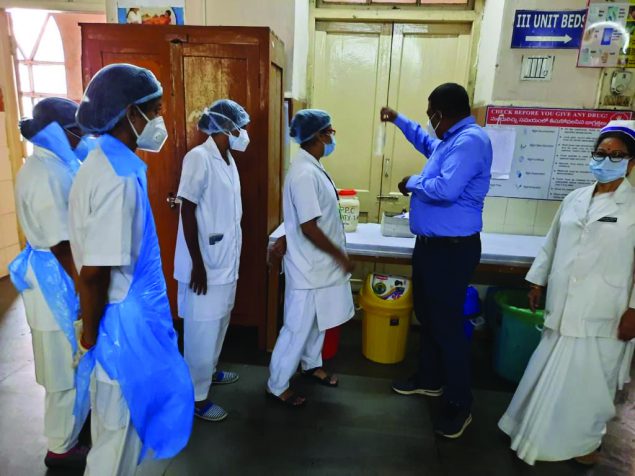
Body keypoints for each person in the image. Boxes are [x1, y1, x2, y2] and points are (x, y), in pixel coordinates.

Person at [70, 63, 194, 475]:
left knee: (129, 431)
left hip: (131, 319)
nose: (160, 120)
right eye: (154, 110)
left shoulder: (107, 161)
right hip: (123, 330)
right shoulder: (116, 177)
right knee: (117, 442)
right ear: (129, 114)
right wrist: (90, 337)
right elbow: (94, 272)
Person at [499, 120, 635, 466]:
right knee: (544, 368)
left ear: (631, 162)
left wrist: (634, 310)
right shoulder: (575, 198)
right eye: (601, 153)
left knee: (591, 384)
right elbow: (552, 243)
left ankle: (582, 442)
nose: (606, 160)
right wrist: (538, 281)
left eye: (617, 155)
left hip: (605, 310)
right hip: (563, 303)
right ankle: (528, 431)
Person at [380, 83, 492, 438]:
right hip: (432, 247)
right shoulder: (450, 141)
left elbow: (446, 189)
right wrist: (399, 120)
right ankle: (429, 379)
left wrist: (411, 183)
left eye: (431, 115)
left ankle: (460, 403)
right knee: (428, 316)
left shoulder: (471, 141)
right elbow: (427, 143)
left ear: (442, 114)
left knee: (446, 325)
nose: (429, 123)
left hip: (452, 250)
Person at [8, 97, 89, 470]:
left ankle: (71, 432)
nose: (81, 138)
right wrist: (84, 288)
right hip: (54, 278)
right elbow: (60, 242)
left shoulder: (57, 164)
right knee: (60, 367)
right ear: (56, 133)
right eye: (75, 132)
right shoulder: (43, 173)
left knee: (70, 362)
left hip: (59, 274)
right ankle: (60, 447)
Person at [267, 109, 355, 407]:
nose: (333, 137)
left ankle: (310, 364)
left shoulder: (312, 166)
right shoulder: (303, 173)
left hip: (319, 265)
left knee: (318, 320)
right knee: (297, 326)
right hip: (308, 266)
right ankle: (277, 384)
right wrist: (339, 256)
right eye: (330, 131)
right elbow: (307, 226)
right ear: (318, 135)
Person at [173, 99, 250, 422]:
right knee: (201, 332)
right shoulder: (199, 158)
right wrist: (198, 264)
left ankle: (211, 371)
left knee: (220, 320)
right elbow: (186, 208)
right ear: (224, 127)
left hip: (225, 260)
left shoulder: (228, 159)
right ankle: (196, 397)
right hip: (203, 263)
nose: (243, 133)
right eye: (238, 127)